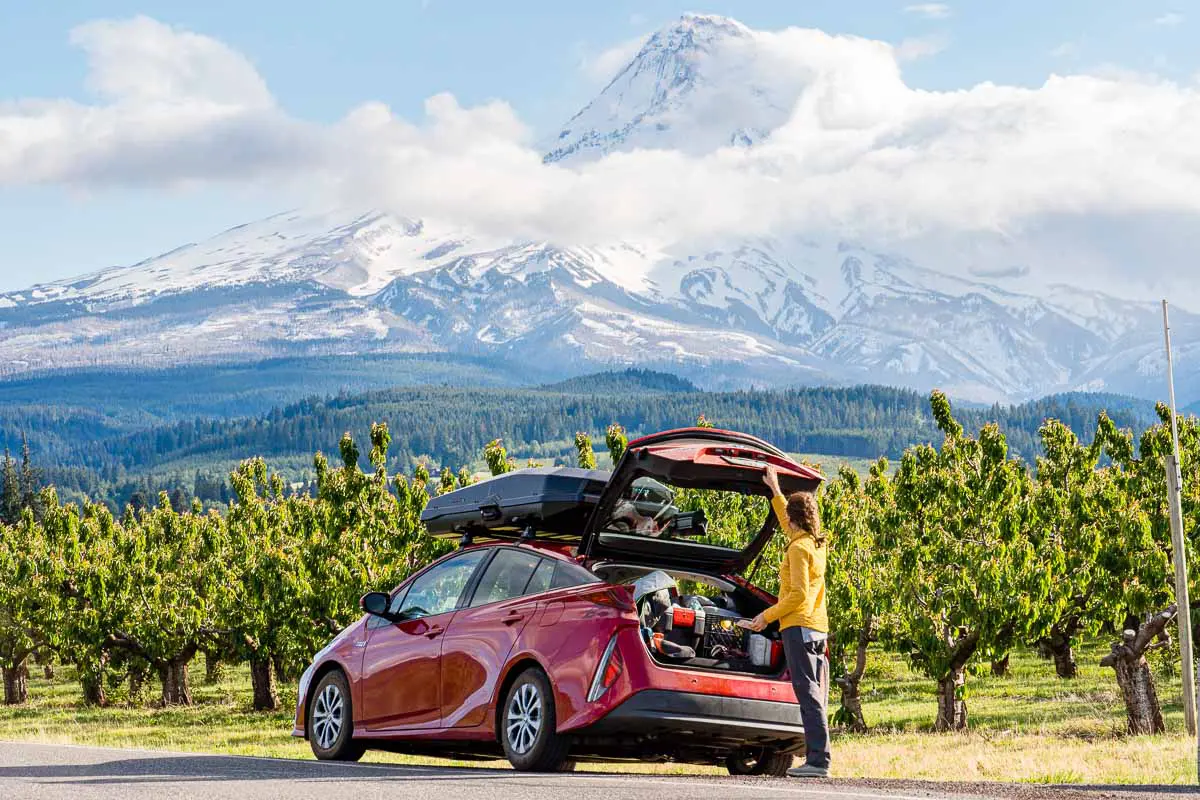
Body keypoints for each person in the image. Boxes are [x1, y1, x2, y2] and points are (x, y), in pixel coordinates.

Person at [746, 465, 830, 779]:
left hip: (798, 624)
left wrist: (764, 617)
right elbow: (788, 526)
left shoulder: (797, 549)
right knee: (814, 692)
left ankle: (818, 761)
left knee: (807, 692)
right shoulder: (815, 543)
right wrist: (776, 490)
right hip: (817, 626)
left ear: (794, 519)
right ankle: (818, 758)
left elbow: (796, 596)